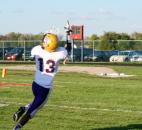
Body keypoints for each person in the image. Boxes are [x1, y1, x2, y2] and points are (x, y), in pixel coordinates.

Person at [13, 33, 70, 130]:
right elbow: (67, 49)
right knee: (33, 111)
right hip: (45, 88)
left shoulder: (36, 49)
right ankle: (17, 127)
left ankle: (24, 108)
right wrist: (68, 35)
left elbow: (42, 48)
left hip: (35, 85)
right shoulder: (61, 52)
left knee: (36, 104)